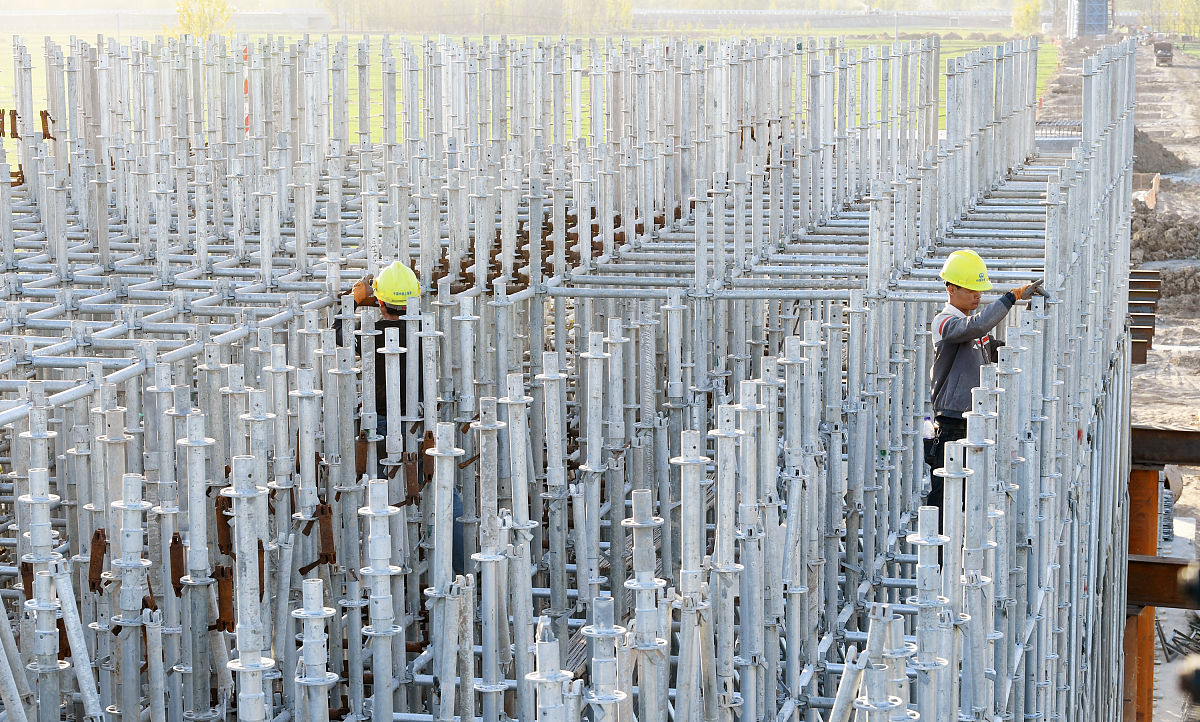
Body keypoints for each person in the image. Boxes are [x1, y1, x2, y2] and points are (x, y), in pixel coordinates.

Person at [347, 260, 465, 575]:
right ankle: (455, 573)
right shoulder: (425, 329)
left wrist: (353, 302)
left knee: (377, 494)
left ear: (379, 301)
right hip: (422, 425)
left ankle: (380, 572)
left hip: (381, 424)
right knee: (444, 493)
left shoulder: (371, 331)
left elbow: (340, 339)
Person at [925, 249, 1044, 519]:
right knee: (946, 499)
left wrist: (1032, 318)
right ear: (951, 288)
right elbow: (976, 327)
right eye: (971, 289)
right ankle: (942, 557)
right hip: (953, 422)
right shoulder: (945, 323)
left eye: (980, 290)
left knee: (971, 497)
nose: (977, 295)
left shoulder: (972, 328)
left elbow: (993, 345)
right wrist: (1011, 297)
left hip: (976, 419)